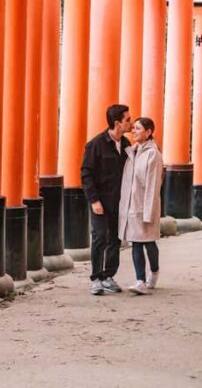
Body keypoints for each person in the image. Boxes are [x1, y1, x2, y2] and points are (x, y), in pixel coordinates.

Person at [81, 104, 132, 296]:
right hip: (100, 202)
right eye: (128, 120)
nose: (131, 122)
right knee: (99, 238)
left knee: (115, 239)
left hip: (120, 202)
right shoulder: (95, 144)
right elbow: (86, 173)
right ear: (117, 123)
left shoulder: (126, 145)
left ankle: (108, 276)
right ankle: (95, 278)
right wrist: (94, 200)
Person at [118, 117, 164, 295]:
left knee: (149, 243)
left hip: (145, 206)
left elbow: (153, 185)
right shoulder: (132, 152)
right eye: (134, 128)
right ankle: (140, 281)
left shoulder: (153, 155)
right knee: (136, 243)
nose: (133, 131)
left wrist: (148, 212)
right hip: (131, 205)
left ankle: (154, 271)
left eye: (138, 128)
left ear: (149, 132)